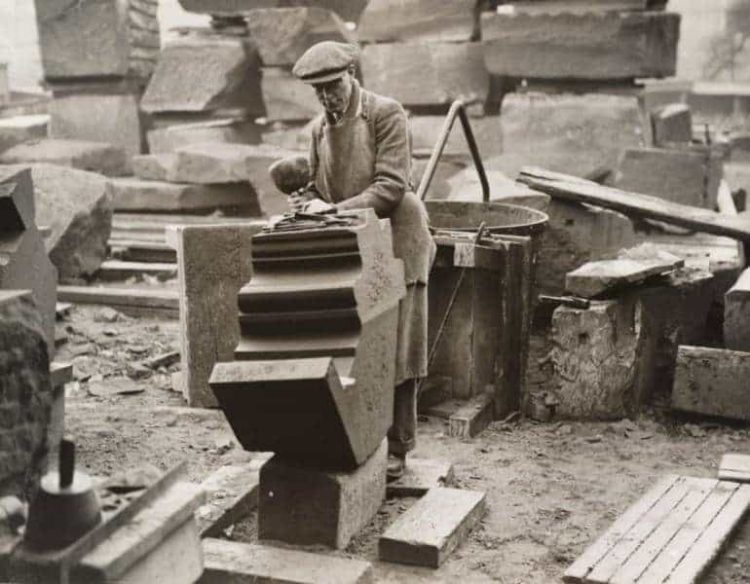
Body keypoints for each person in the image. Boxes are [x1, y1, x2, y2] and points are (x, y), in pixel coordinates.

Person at [292, 41, 436, 479]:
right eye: (318, 91)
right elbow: (319, 189)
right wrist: (307, 203)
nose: (327, 98)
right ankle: (356, 439)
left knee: (399, 348)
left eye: (333, 87)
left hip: (398, 237)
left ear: (351, 74)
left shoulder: (385, 113)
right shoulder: (318, 130)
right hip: (354, 241)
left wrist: (332, 211)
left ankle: (399, 447)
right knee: (352, 343)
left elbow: (391, 187)